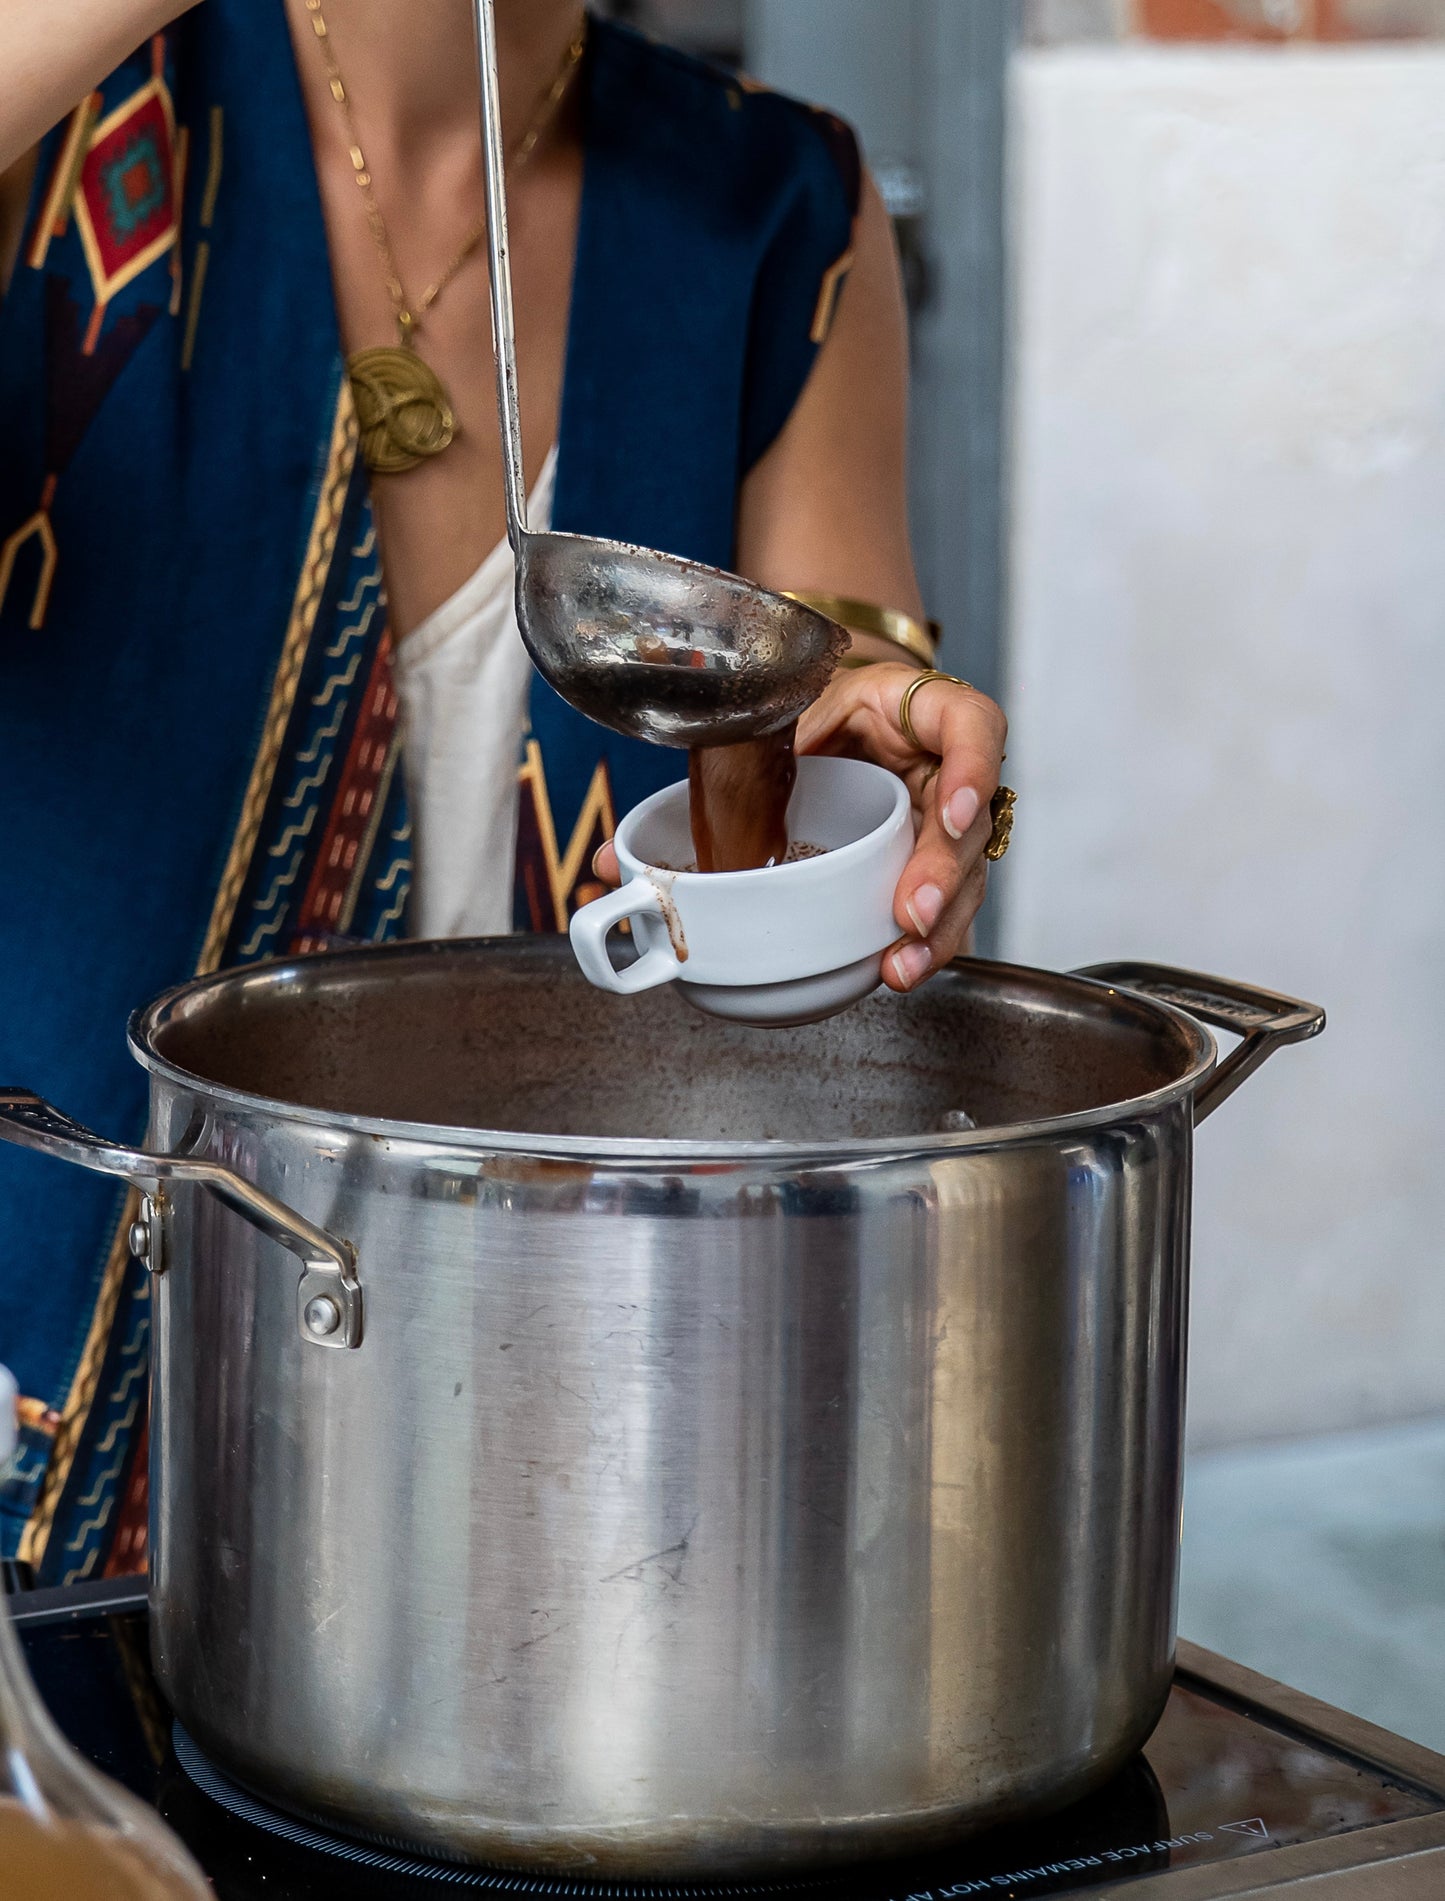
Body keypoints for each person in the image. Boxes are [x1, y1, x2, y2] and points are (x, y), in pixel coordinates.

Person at [0, 0, 1009, 1584]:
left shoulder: (771, 215)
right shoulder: (71, 117)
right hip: (42, 1464)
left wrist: (864, 829)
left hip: (515, 1492)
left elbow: (817, 882)